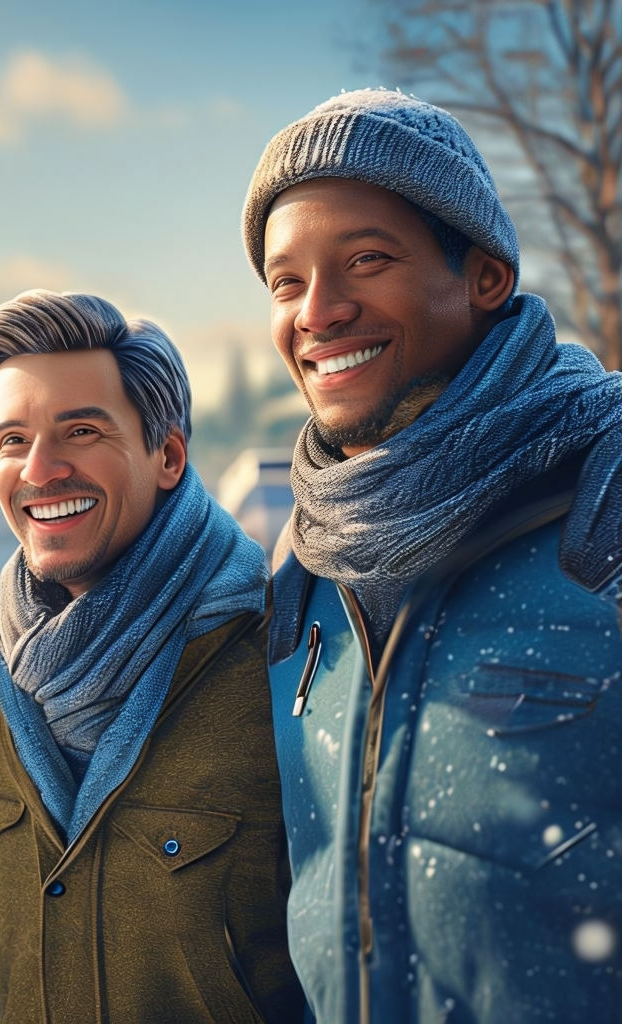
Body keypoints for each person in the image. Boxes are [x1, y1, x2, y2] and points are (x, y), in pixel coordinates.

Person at [240, 87, 622, 1023]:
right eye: (286, 282)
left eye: (365, 260)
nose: (318, 312)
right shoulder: (301, 568)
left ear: (485, 276)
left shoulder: (604, 502)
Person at [0, 289, 305, 1022]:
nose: (40, 469)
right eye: (13, 440)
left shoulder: (282, 661)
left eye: (80, 431)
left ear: (167, 455)